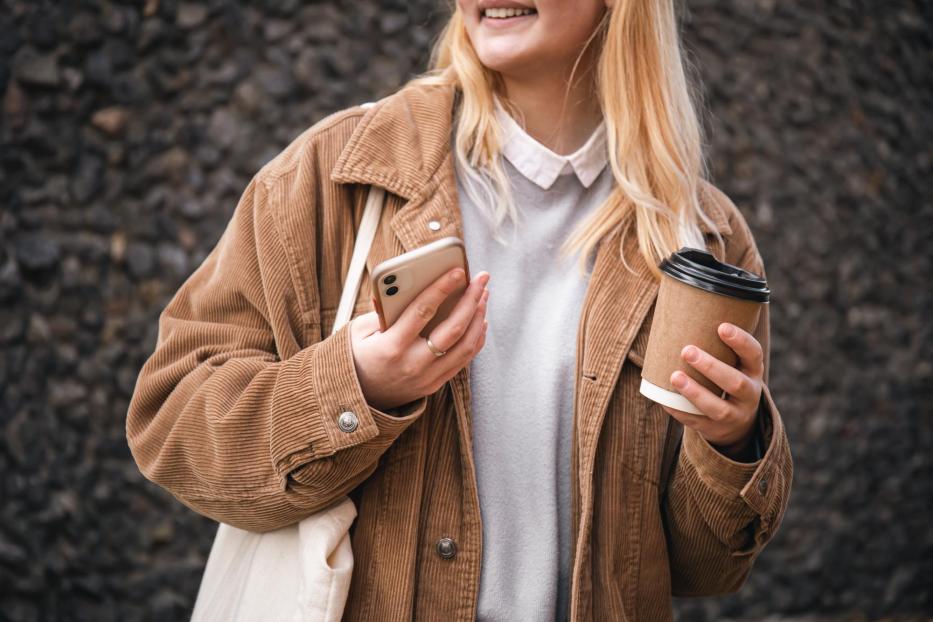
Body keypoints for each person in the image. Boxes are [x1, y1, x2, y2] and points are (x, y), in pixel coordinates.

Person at [126, 0, 793, 620]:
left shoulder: (699, 237)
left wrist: (730, 443)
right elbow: (171, 423)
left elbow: (701, 568)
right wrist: (357, 385)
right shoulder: (334, 174)